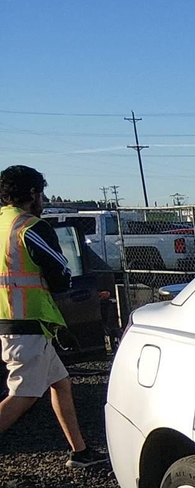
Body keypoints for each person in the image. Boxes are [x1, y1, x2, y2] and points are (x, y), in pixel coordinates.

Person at [0, 164, 105, 467]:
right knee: (24, 395)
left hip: (15, 321)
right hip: (27, 324)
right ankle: (81, 452)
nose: (43, 201)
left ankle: (81, 452)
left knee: (61, 382)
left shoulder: (3, 224)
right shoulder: (30, 227)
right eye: (41, 193)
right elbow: (61, 275)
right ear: (33, 194)